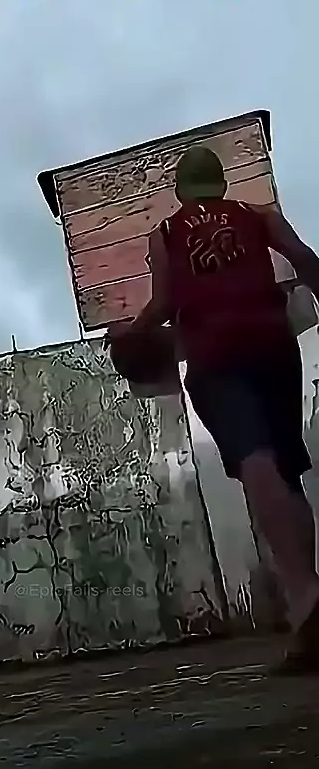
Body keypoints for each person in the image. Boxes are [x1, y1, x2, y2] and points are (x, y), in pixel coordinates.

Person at [116, 145, 319, 672]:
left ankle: (306, 597)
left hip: (215, 353)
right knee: (287, 471)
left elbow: (164, 304)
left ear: (182, 191)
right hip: (275, 345)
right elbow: (303, 259)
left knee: (254, 458)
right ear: (222, 184)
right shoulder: (258, 215)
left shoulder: (165, 233)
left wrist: (131, 333)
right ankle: (309, 616)